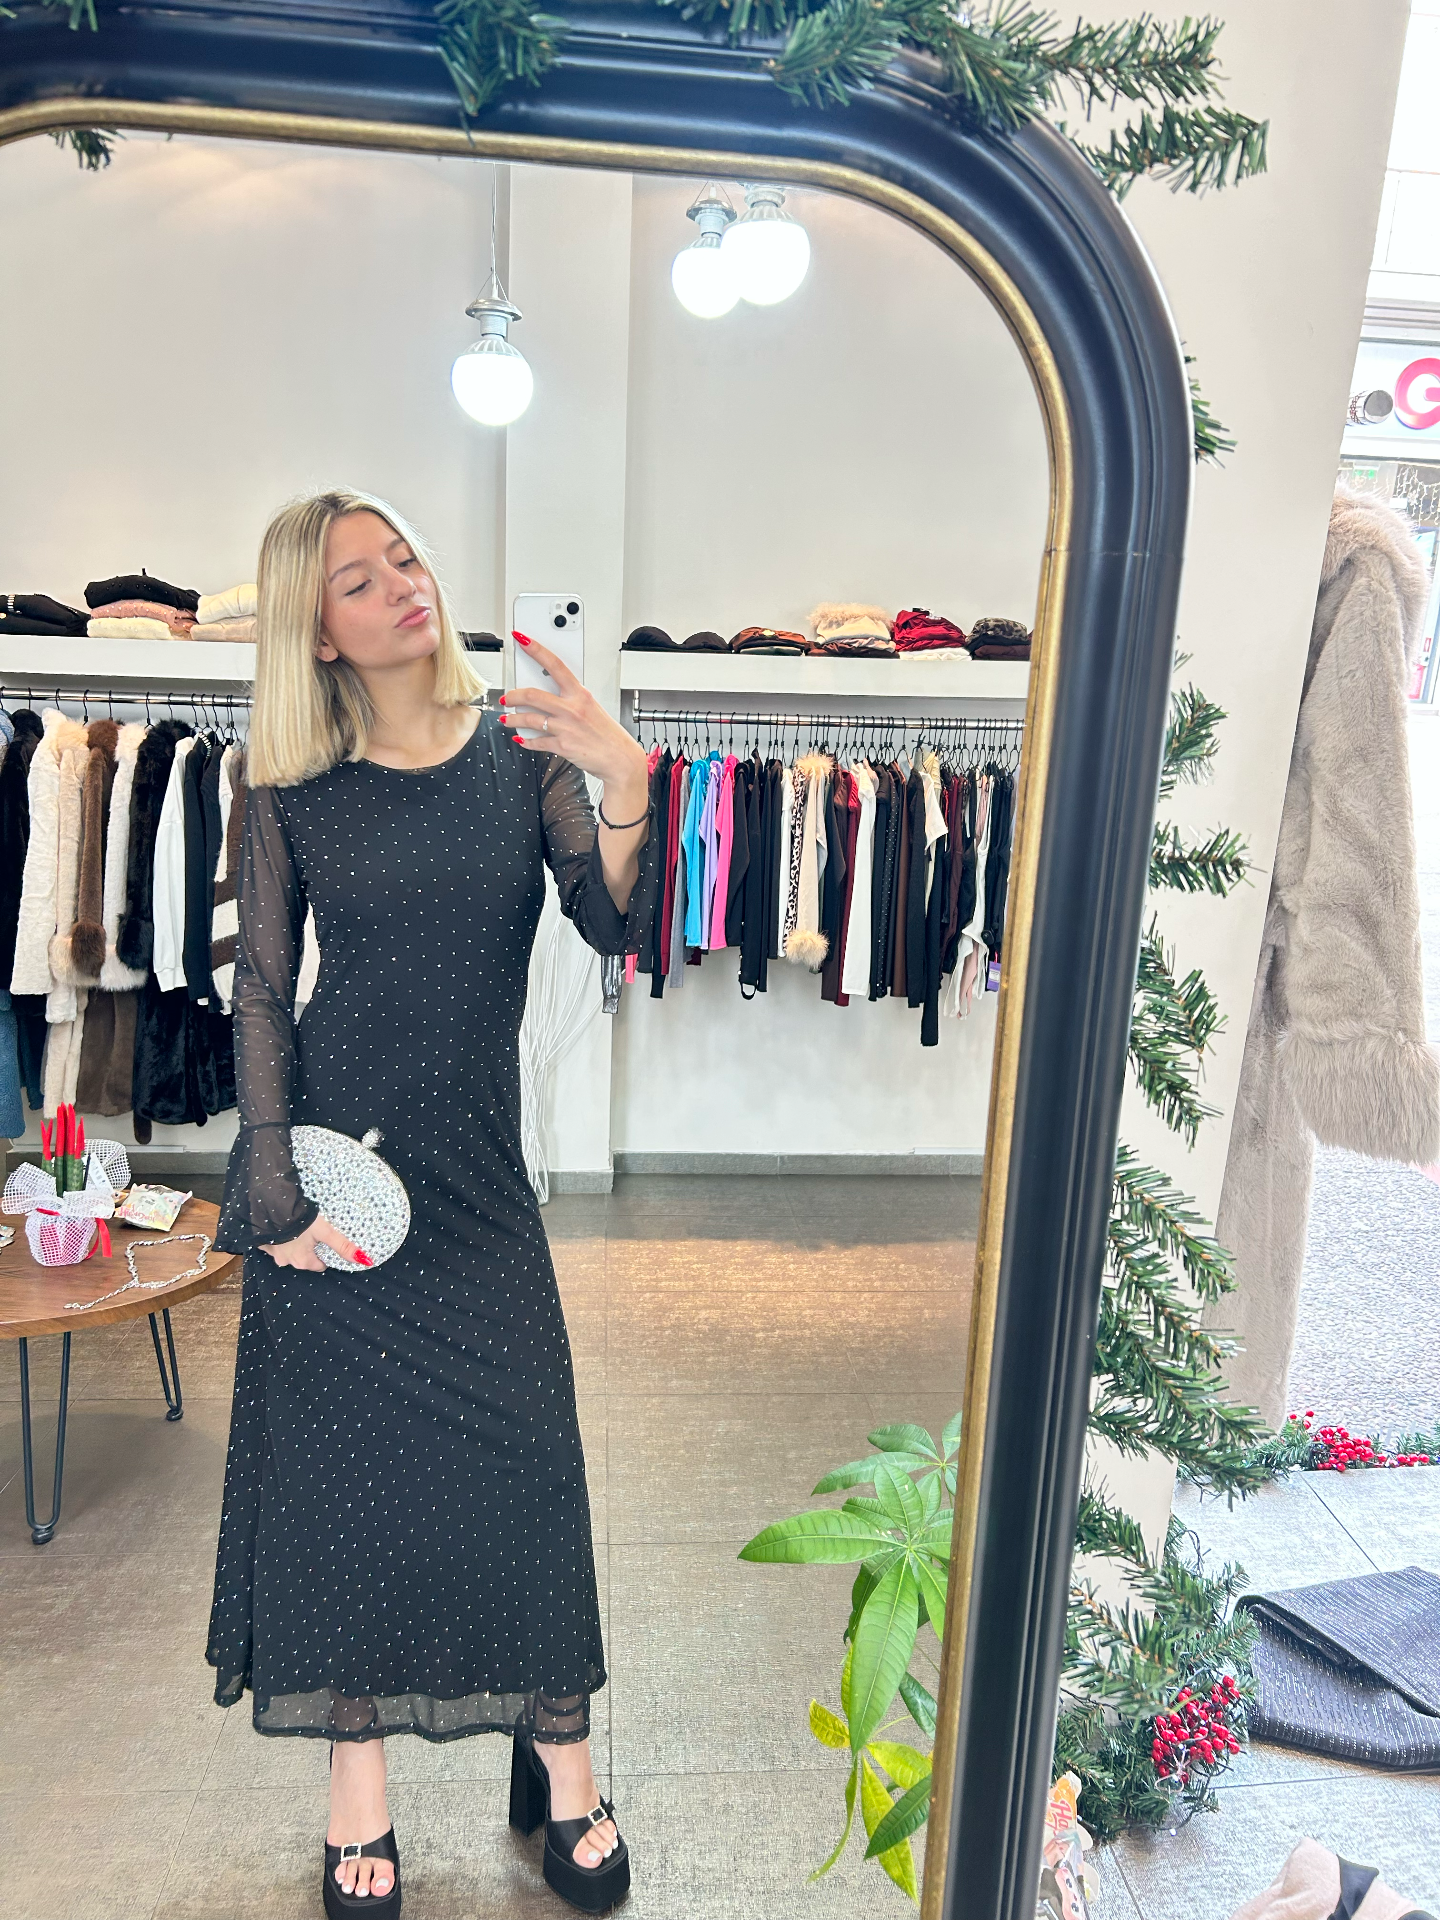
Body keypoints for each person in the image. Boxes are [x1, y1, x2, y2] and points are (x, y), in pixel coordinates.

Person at [206, 488, 654, 1918]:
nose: (403, 584)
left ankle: (562, 1763)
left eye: (404, 557)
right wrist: (273, 1189)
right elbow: (261, 988)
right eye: (359, 578)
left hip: (477, 1181)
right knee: (346, 1500)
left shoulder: (520, 751)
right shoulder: (284, 781)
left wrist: (627, 782)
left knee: (530, 1472)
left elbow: (612, 918)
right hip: (341, 1185)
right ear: (315, 632)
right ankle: (359, 1795)